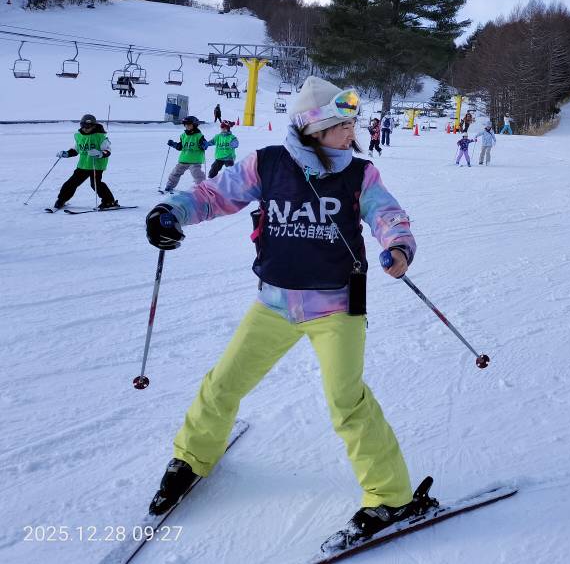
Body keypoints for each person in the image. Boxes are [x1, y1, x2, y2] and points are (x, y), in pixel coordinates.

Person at [143, 77, 432, 546]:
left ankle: (391, 496)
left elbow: (387, 214)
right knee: (223, 382)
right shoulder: (268, 164)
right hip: (274, 303)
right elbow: (213, 195)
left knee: (346, 401)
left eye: (352, 124)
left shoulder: (360, 174)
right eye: (341, 125)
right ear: (312, 128)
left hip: (336, 306)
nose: (352, 132)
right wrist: (171, 211)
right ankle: (192, 457)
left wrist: (398, 245)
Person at [52, 113, 119, 209]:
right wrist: (67, 153)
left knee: (95, 184)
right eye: (83, 125)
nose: (86, 128)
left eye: (89, 126)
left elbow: (108, 151)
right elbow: (76, 150)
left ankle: (109, 202)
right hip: (83, 165)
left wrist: (100, 153)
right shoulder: (79, 136)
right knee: (71, 183)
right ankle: (61, 200)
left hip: (97, 165)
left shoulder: (100, 137)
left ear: (94, 126)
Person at [163, 116, 208, 192]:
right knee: (175, 173)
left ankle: (202, 189)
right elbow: (180, 146)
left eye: (189, 124)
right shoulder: (183, 135)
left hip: (194, 161)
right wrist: (173, 144)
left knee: (197, 175)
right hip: (183, 160)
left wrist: (204, 145)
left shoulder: (199, 136)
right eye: (185, 124)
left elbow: (204, 144)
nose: (187, 126)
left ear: (194, 125)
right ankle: (169, 186)